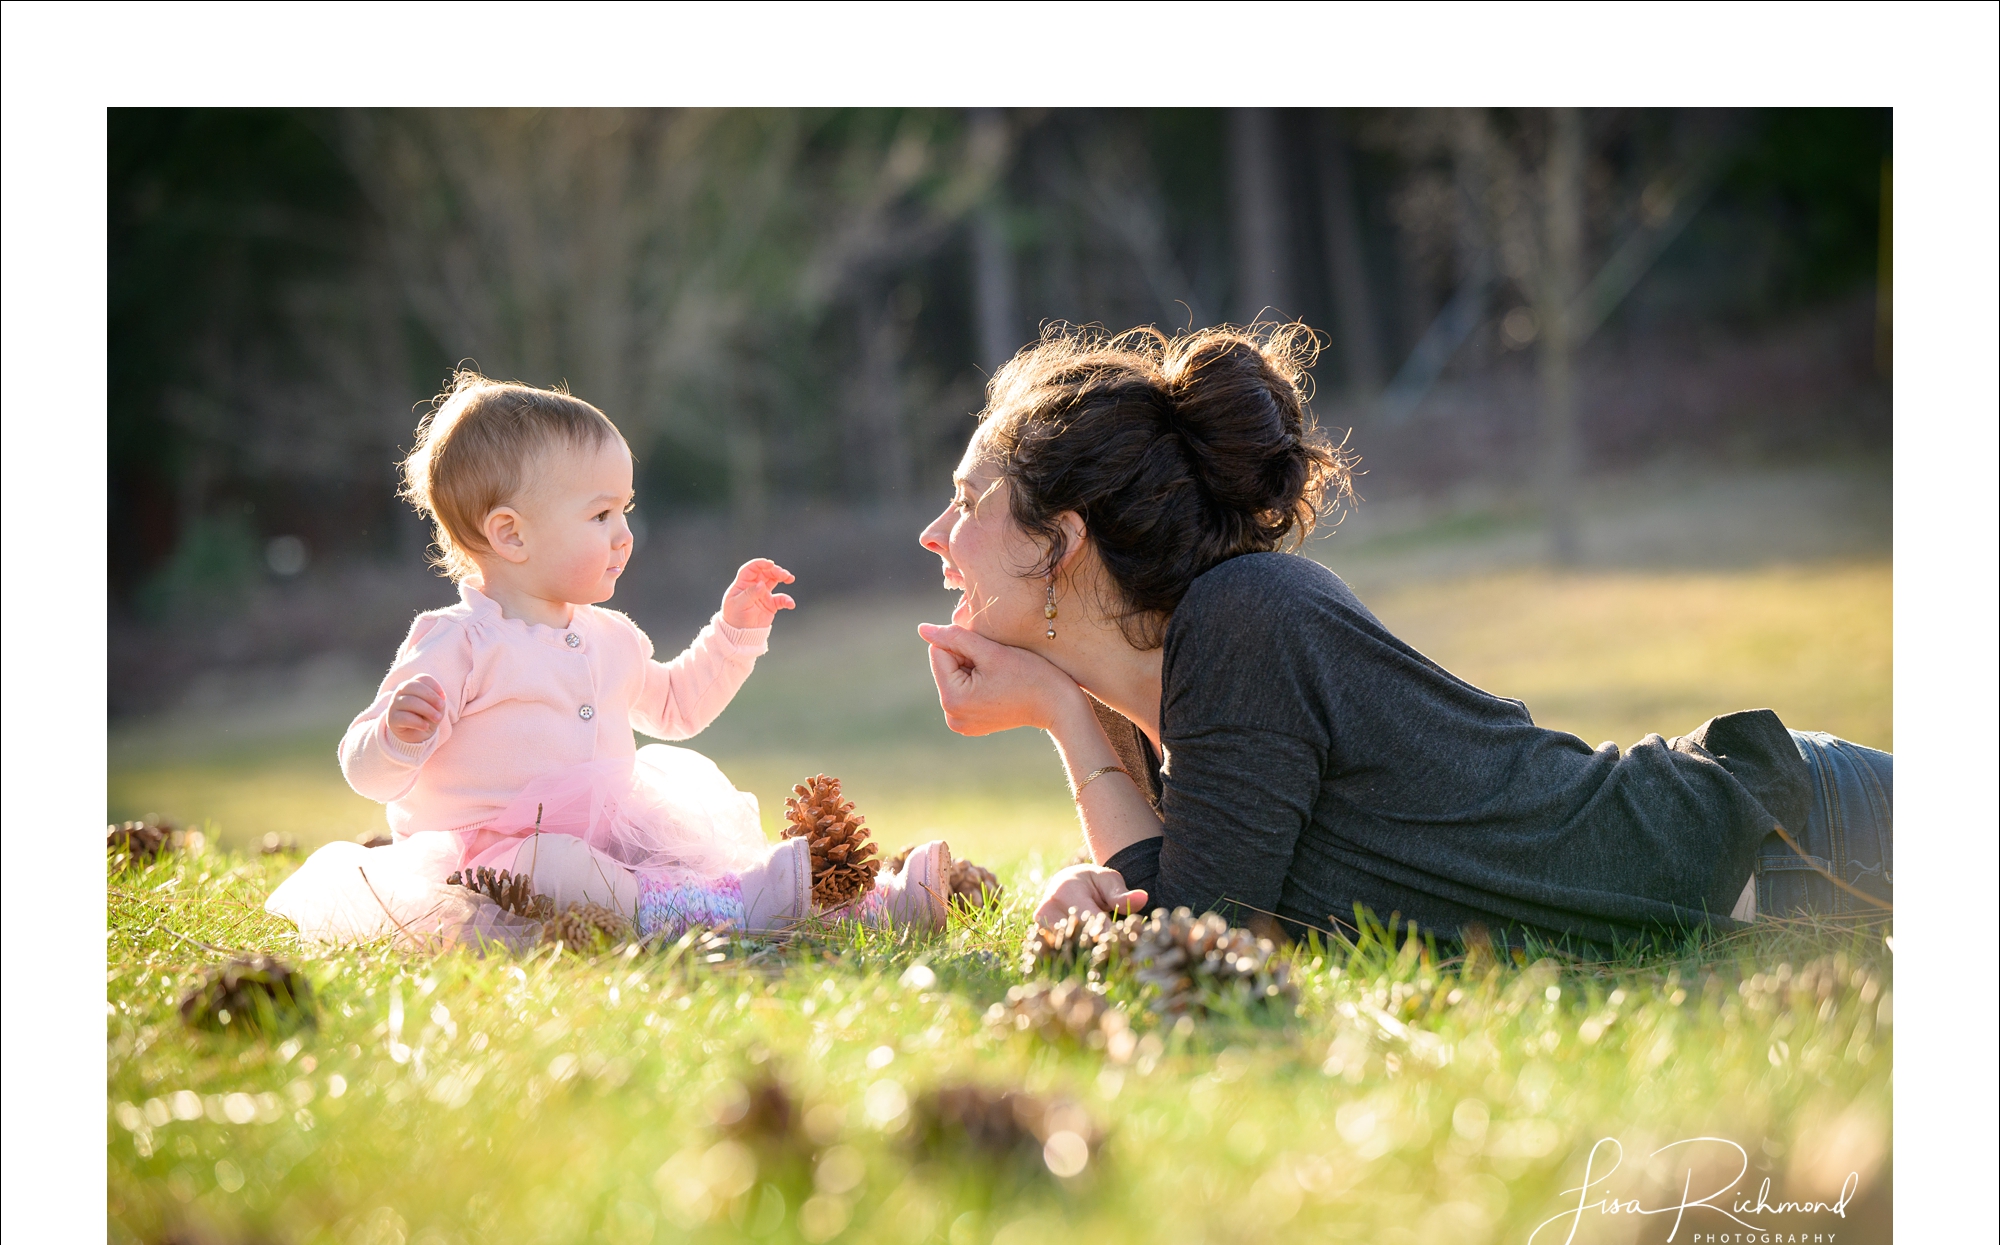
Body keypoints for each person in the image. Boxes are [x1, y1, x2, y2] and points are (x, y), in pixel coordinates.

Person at [916, 324, 1891, 949]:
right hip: (1756, 910)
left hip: (1791, 847)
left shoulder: (1241, 621)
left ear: (1062, 543)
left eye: (966, 502)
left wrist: (1054, 712)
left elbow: (1195, 938)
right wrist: (1072, 720)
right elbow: (1189, 943)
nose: (934, 536)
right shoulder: (1164, 708)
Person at [267, 370, 948, 946]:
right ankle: (741, 911)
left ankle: (872, 907)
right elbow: (365, 768)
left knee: (692, 866)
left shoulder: (610, 636)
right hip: (500, 873)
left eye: (626, 510)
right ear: (510, 534)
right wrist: (396, 736)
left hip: (616, 845)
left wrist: (734, 632)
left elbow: (678, 707)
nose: (625, 534)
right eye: (601, 516)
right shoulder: (458, 641)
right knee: (556, 864)